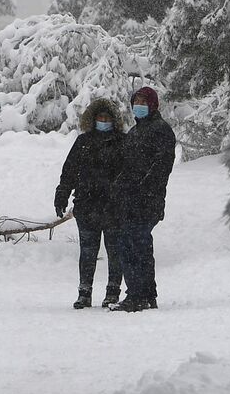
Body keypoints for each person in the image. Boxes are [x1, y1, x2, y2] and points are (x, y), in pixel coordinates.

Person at [54, 98, 126, 309]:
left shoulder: (123, 142)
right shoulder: (83, 142)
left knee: (115, 252)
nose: (103, 121)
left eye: (107, 118)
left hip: (114, 207)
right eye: (100, 117)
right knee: (87, 252)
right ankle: (84, 292)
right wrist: (62, 193)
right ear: (93, 119)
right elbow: (69, 171)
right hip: (87, 206)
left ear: (114, 120)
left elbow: (132, 173)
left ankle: (113, 292)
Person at [112, 85, 176, 312]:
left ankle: (138, 295)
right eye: (135, 102)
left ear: (152, 105)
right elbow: (125, 166)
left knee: (134, 244)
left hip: (147, 200)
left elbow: (161, 167)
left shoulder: (161, 130)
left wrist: (143, 188)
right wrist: (119, 187)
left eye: (142, 102)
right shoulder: (134, 132)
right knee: (134, 245)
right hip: (130, 201)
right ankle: (146, 294)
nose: (138, 106)